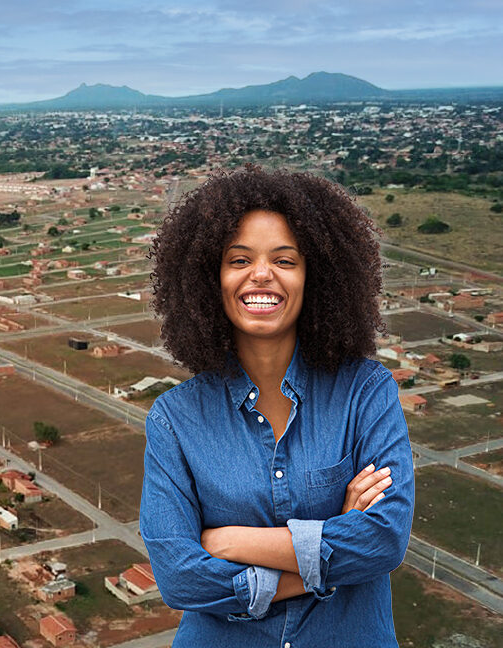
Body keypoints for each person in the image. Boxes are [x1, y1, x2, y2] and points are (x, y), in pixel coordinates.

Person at [139, 166, 414, 647]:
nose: (261, 274)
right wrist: (330, 543)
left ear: (317, 277)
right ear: (210, 279)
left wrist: (232, 543)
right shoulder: (174, 420)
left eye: (285, 260)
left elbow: (383, 540)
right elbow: (180, 579)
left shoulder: (366, 392)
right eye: (238, 259)